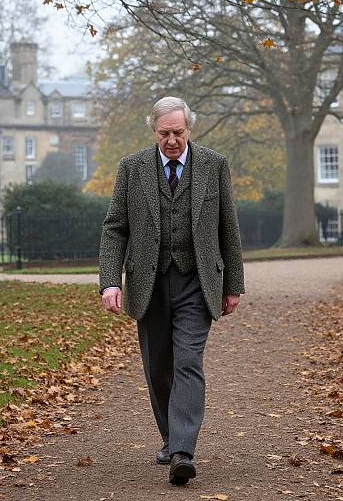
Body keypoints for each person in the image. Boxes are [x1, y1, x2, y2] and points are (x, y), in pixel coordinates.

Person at [99, 96, 245, 485]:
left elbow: (227, 227)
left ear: (189, 129)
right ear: (154, 131)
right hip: (149, 281)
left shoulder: (214, 165)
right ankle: (170, 437)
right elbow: (115, 228)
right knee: (158, 366)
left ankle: (183, 450)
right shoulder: (132, 169)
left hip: (197, 281)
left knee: (188, 361)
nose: (172, 140)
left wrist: (233, 284)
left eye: (178, 132)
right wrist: (110, 281)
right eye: (164, 133)